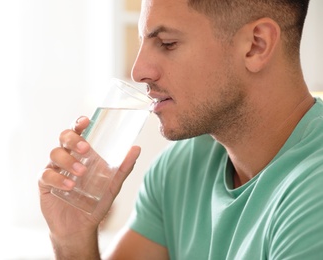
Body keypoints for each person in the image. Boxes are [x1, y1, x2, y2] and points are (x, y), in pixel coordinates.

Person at [38, 0, 323, 258]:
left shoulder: (314, 194)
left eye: (167, 43)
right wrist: (72, 238)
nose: (139, 71)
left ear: (256, 45)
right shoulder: (179, 168)